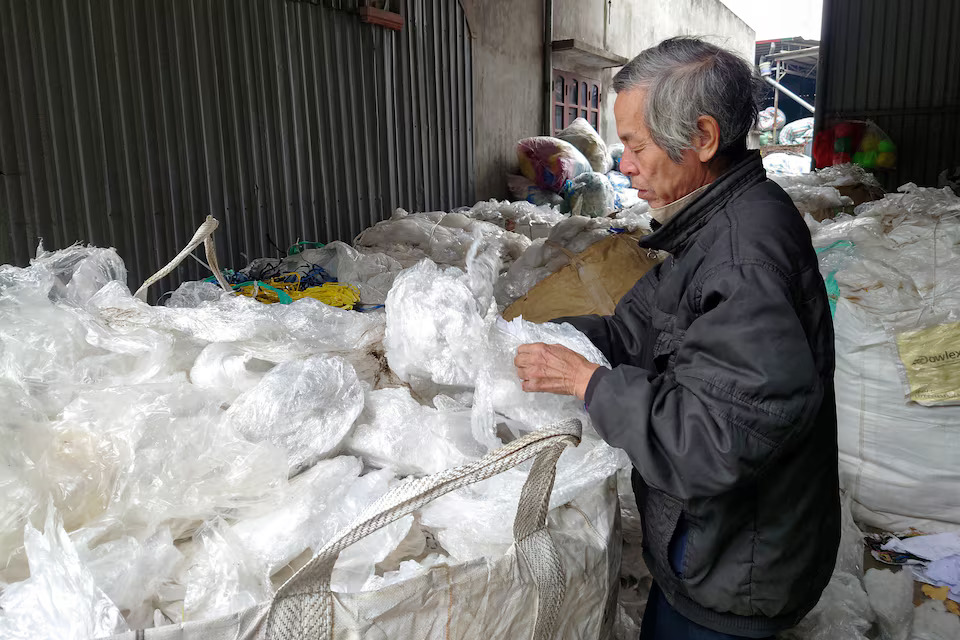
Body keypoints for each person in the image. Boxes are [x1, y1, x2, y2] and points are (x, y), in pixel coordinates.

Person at [514, 37, 839, 640]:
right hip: (708, 553)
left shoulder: (743, 257)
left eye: (634, 144)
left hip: (734, 569)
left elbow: (716, 441)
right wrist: (532, 337)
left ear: (704, 139)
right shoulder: (712, 224)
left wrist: (590, 385)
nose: (623, 163)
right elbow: (639, 328)